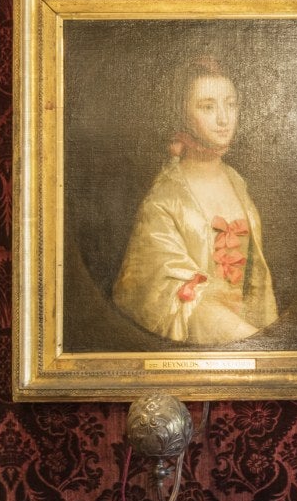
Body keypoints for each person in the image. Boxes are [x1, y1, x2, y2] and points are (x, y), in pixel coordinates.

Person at [112, 58, 278, 345]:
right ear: (183, 116)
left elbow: (256, 282)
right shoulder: (164, 199)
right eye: (207, 107)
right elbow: (160, 294)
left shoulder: (236, 181)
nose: (224, 119)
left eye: (231, 104)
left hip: (246, 333)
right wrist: (250, 340)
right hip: (205, 338)